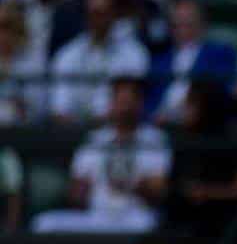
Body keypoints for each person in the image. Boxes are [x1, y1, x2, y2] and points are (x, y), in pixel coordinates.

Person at [33, 75, 169, 234]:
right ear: (112, 103)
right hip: (97, 215)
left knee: (147, 227)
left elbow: (159, 190)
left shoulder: (155, 139)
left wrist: (131, 184)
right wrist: (79, 190)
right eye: (121, 101)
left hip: (135, 216)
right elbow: (76, 190)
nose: (125, 108)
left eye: (130, 101)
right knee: (44, 223)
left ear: (140, 103)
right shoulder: (95, 139)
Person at [165, 79, 237, 236]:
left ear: (206, 107)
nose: (185, 109)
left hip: (219, 222)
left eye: (191, 103)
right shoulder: (181, 143)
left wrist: (207, 192)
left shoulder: (229, 144)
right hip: (181, 221)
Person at [48, 0, 148, 122]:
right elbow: (59, 107)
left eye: (104, 13)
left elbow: (132, 103)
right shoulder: (67, 55)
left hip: (118, 128)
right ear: (86, 17)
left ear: (114, 14)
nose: (99, 19)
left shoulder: (134, 53)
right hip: (74, 131)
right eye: (94, 13)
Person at [147, 0, 236, 124]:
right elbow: (148, 100)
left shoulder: (220, 54)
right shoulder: (159, 60)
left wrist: (179, 112)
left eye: (187, 24)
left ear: (202, 25)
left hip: (201, 124)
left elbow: (220, 93)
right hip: (159, 123)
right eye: (176, 25)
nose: (181, 30)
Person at [0, 1, 44, 123]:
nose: (2, 34)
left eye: (5, 27)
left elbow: (38, 106)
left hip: (22, 130)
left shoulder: (32, 61)